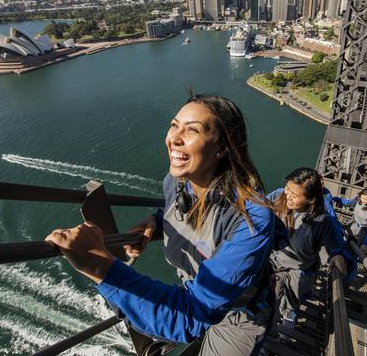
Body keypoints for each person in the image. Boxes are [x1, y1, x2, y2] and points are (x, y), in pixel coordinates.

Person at [46, 94, 275, 356]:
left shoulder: (251, 219)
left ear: (222, 148)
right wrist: (156, 221)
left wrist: (97, 263)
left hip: (239, 316)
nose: (174, 138)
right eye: (174, 125)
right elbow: (184, 211)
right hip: (196, 289)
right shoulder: (177, 182)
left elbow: (190, 315)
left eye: (192, 130)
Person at [267, 167, 349, 329]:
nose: (287, 196)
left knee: (291, 304)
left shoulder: (322, 220)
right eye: (287, 189)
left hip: (299, 271)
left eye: (295, 195)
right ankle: (271, 332)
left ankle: (286, 322)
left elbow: (337, 244)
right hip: (274, 264)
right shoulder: (278, 196)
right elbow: (257, 208)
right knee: (270, 301)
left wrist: (338, 255)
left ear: (311, 199)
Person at [330, 187, 367, 251]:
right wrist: (336, 199)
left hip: (362, 232)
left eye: (366, 199)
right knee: (343, 244)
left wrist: (365, 243)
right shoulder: (358, 200)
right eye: (362, 198)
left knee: (356, 250)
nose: (363, 200)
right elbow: (348, 203)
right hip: (353, 227)